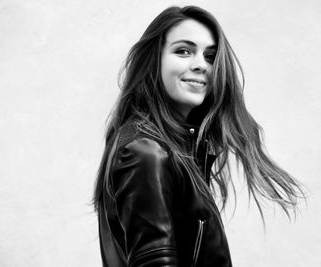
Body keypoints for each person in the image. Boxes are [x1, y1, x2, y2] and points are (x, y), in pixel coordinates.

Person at [93, 5, 305, 267]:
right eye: (183, 51)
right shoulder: (145, 151)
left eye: (210, 56)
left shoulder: (173, 149)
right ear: (154, 60)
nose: (200, 65)